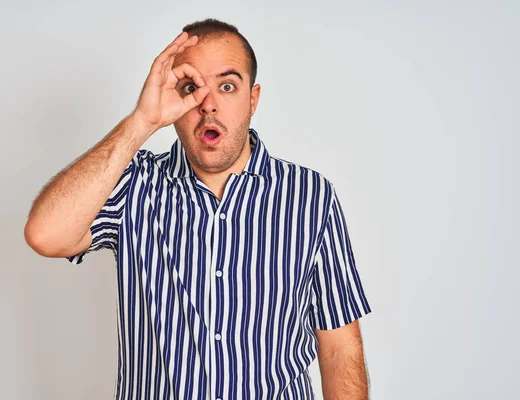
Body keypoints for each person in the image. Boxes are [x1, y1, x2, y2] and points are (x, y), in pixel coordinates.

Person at [24, 18, 372, 400]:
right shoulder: (133, 184)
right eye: (191, 88)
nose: (208, 104)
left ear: (252, 99)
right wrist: (142, 122)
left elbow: (340, 347)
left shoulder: (310, 197)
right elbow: (46, 234)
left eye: (227, 86)